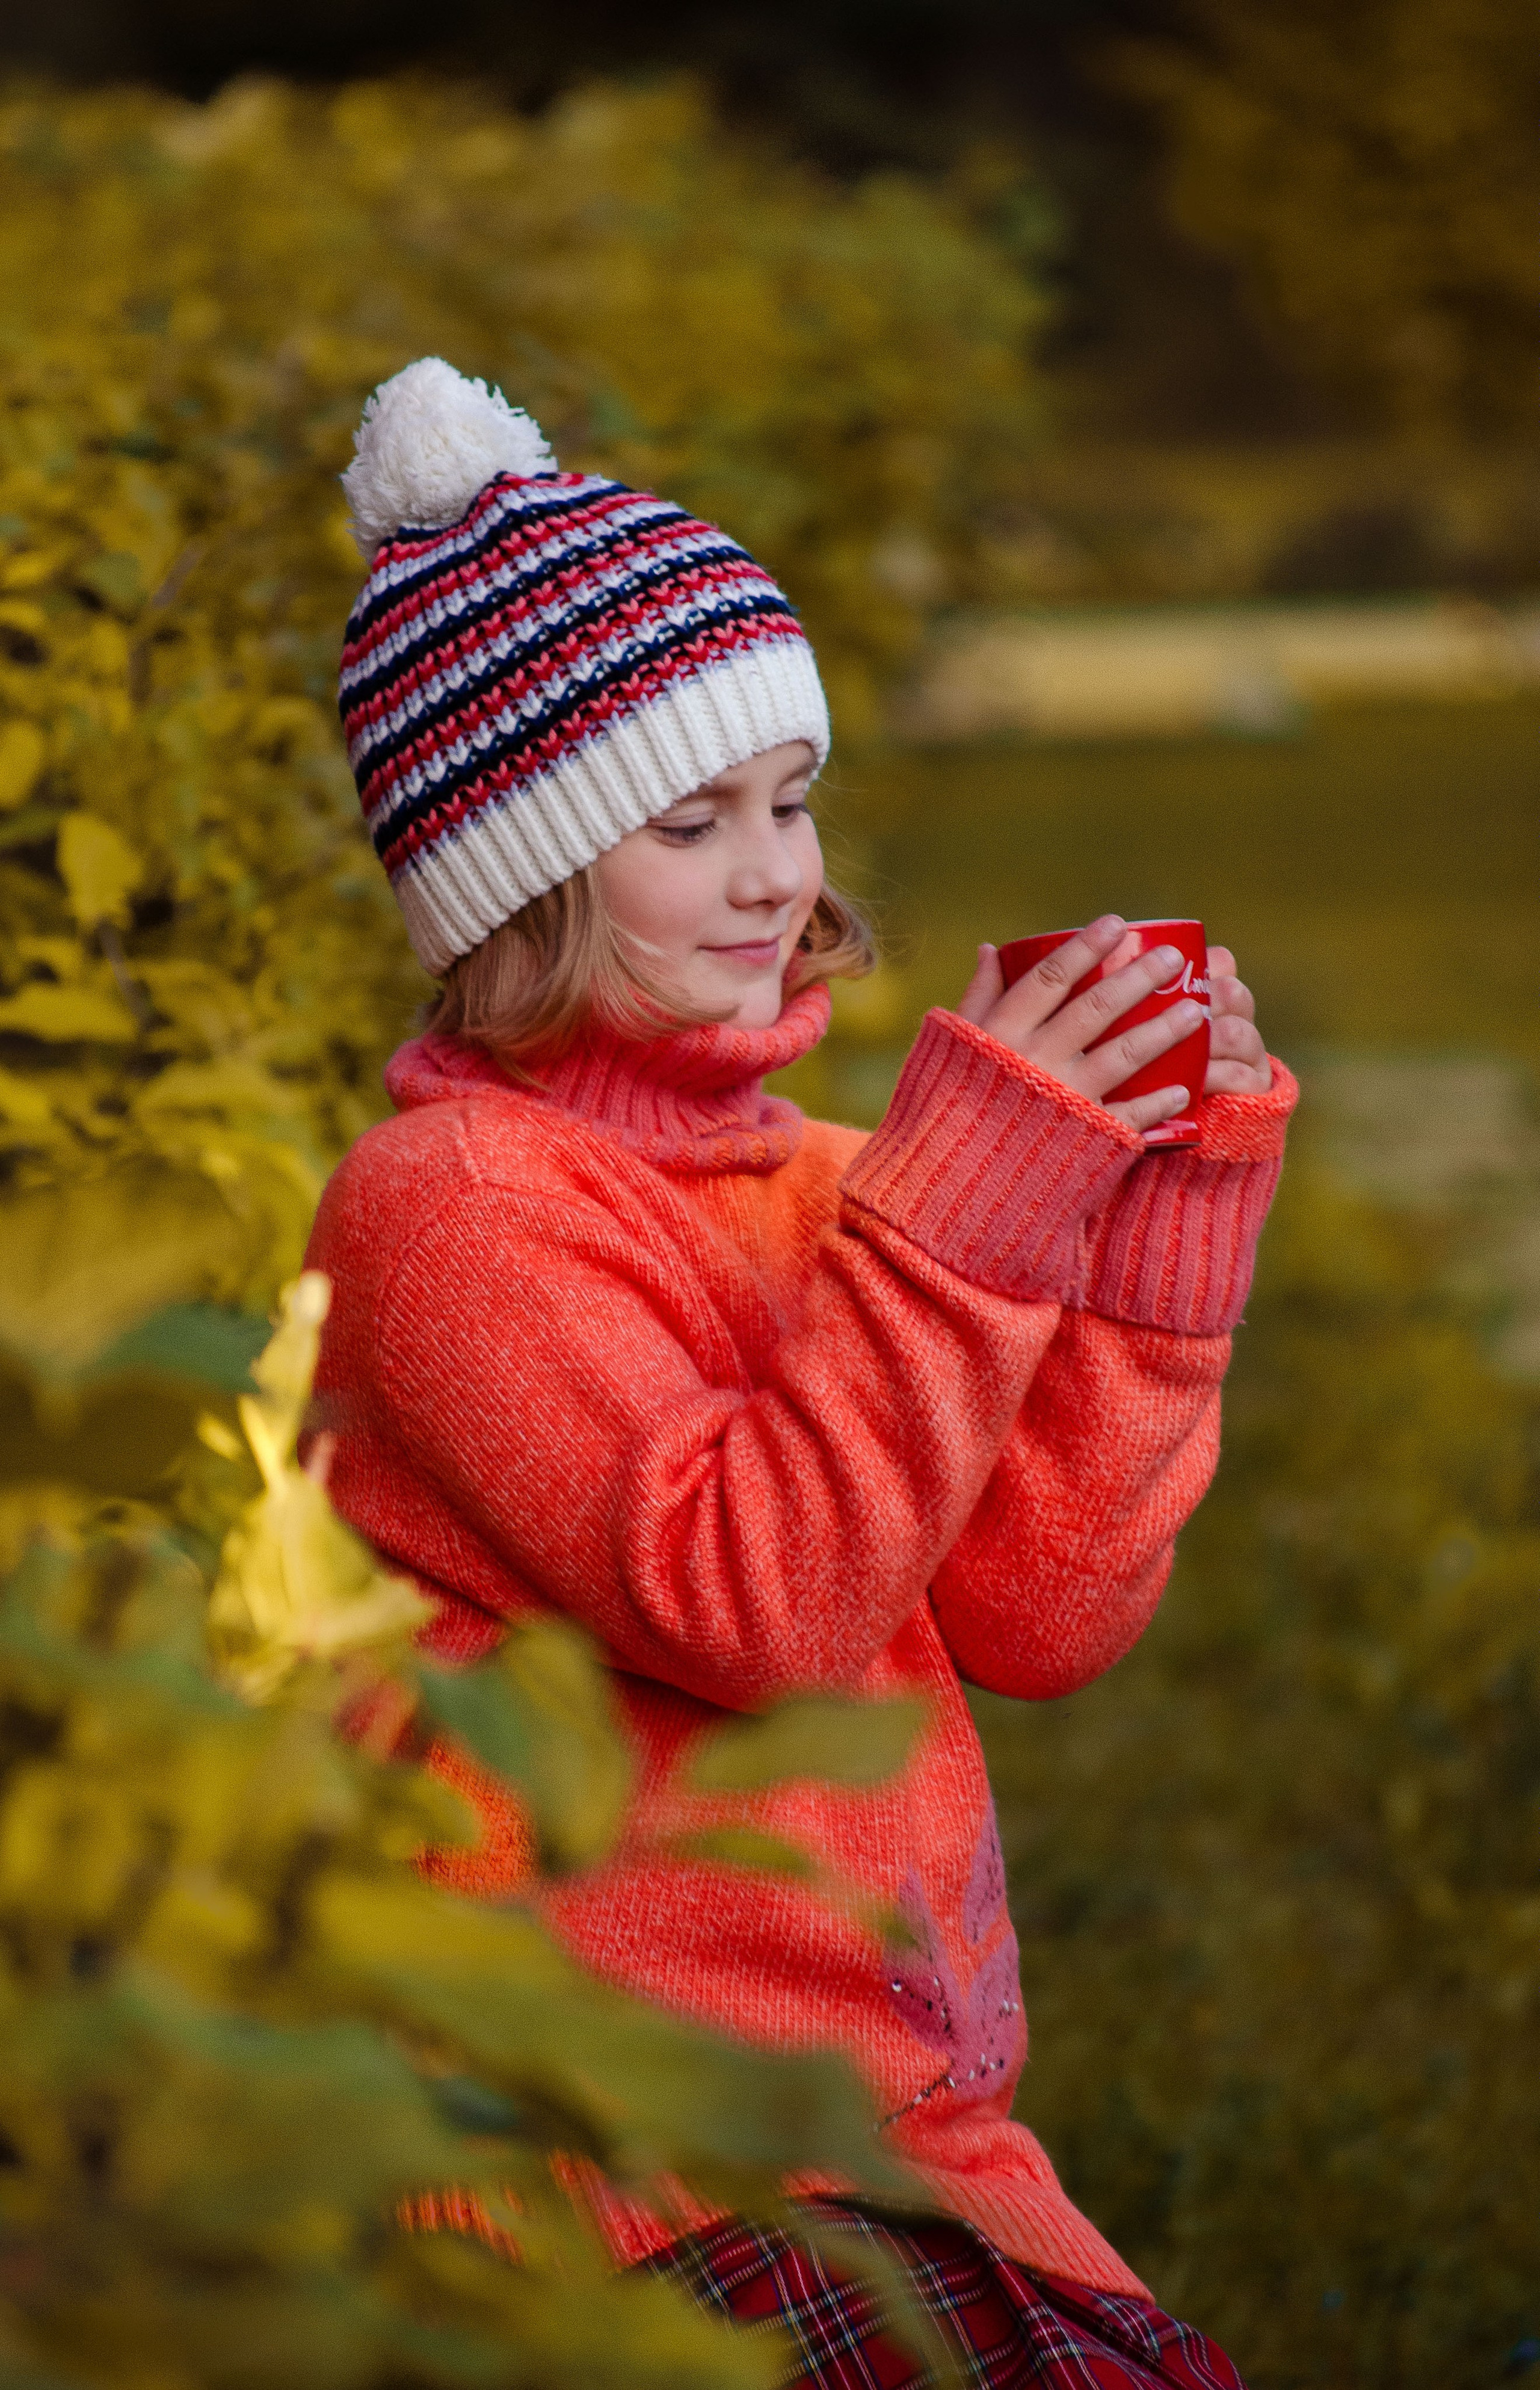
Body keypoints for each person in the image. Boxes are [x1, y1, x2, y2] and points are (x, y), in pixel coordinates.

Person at [307, 357, 1295, 2389]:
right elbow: (760, 1602)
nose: (774, 875)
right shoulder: (450, 1210)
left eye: (789, 797)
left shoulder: (838, 1187)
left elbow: (1039, 1613)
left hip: (883, 2131)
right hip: (613, 2165)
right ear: (520, 883)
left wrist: (1150, 1265)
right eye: (691, 823)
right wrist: (970, 1211)